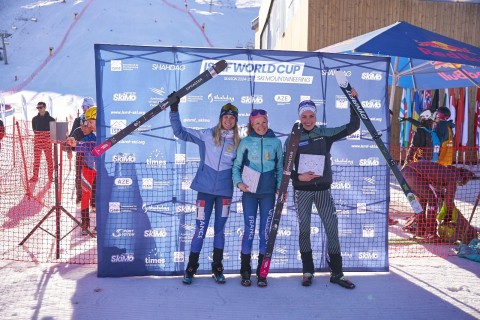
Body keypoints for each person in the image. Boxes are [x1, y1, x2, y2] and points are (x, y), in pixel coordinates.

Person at [287, 93, 359, 289]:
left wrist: (353, 102)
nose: (308, 120)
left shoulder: (325, 134)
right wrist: (298, 177)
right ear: (299, 118)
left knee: (332, 228)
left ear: (316, 117)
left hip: (323, 191)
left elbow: (352, 127)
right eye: (304, 117)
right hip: (302, 191)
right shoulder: (294, 138)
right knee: (304, 230)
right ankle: (307, 271)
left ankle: (337, 273)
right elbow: (285, 168)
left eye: (311, 116)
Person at [169, 97, 240, 285]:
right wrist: (174, 109)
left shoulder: (239, 142)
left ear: (236, 121)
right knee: (200, 229)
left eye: (232, 118)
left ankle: (217, 268)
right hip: (205, 192)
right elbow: (180, 132)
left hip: (225, 192)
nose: (229, 121)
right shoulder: (207, 134)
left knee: (219, 231)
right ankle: (191, 268)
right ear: (220, 118)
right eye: (226, 117)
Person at [232, 109, 283, 287]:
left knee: (265, 232)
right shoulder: (246, 142)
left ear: (268, 122)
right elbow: (236, 166)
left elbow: (280, 167)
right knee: (250, 229)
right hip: (250, 193)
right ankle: (245, 271)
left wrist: (279, 187)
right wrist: (239, 183)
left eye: (264, 122)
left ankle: (262, 272)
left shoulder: (276, 142)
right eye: (257, 123)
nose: (261, 126)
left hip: (268, 193)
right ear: (251, 125)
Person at [401, 160, 475, 239]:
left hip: (403, 175)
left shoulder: (445, 172)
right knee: (432, 200)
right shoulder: (453, 178)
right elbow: (449, 201)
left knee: (424, 198)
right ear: (461, 177)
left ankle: (420, 230)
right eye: (465, 181)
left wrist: (444, 199)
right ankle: (430, 233)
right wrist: (449, 215)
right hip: (414, 174)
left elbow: (439, 193)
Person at [66, 107, 97, 235]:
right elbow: (84, 145)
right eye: (86, 122)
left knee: (99, 198)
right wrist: (72, 144)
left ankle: (100, 225)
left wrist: (76, 144)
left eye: (89, 122)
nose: (86, 125)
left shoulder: (104, 134)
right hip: (88, 169)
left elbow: (92, 145)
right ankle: (85, 224)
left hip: (101, 172)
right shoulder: (88, 136)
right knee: (85, 196)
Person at [69, 97, 96, 203]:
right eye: (83, 107)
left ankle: (93, 200)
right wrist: (69, 149)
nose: (85, 109)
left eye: (87, 107)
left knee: (93, 174)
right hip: (80, 149)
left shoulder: (96, 119)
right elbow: (73, 133)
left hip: (92, 151)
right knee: (79, 174)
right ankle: (79, 197)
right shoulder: (78, 120)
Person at [30, 101, 55, 183]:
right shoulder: (34, 119)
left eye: (41, 107)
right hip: (38, 142)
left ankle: (51, 176)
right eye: (38, 108)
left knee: (49, 160)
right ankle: (35, 176)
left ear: (45, 108)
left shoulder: (51, 119)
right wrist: (40, 137)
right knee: (36, 160)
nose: (39, 109)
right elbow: (34, 130)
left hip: (47, 142)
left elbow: (53, 132)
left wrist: (46, 137)